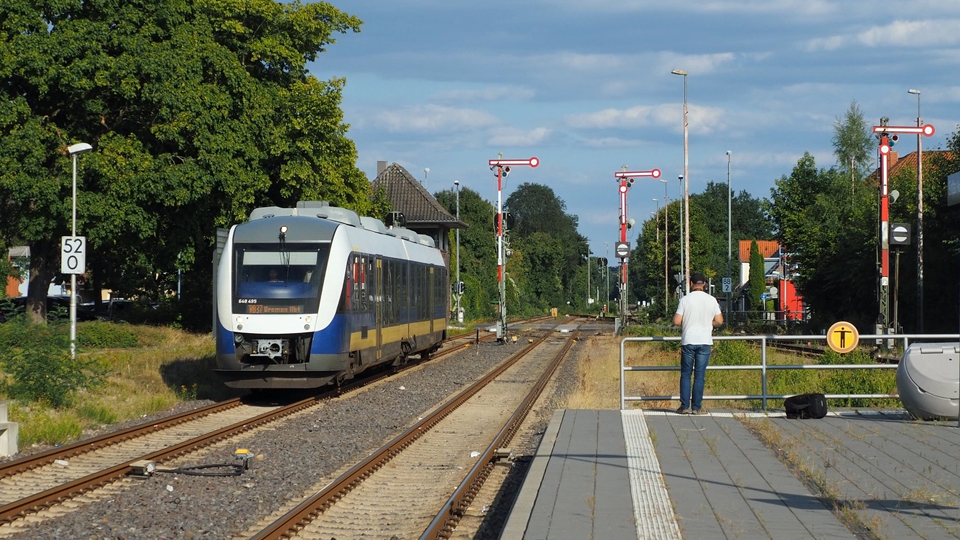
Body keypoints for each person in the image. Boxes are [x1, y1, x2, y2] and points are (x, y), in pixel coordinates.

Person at [673, 273, 723, 415]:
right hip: (705, 341)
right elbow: (719, 321)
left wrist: (688, 322)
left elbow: (676, 321)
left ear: (691, 283)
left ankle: (684, 406)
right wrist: (708, 323)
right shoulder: (712, 300)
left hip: (688, 340)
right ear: (705, 284)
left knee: (686, 374)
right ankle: (697, 407)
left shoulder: (685, 300)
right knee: (700, 375)